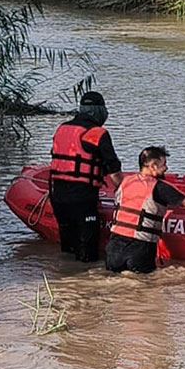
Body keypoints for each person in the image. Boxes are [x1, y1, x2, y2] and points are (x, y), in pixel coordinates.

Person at [106, 146, 185, 274]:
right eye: (163, 164)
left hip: (114, 248)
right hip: (139, 248)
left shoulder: (125, 182)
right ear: (153, 166)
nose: (166, 168)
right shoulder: (159, 187)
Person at [49, 91, 121, 262]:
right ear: (98, 111)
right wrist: (129, 192)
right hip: (82, 198)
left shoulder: (62, 128)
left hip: (57, 196)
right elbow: (113, 170)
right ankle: (84, 280)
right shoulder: (98, 133)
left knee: (67, 248)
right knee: (87, 251)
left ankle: (64, 278)